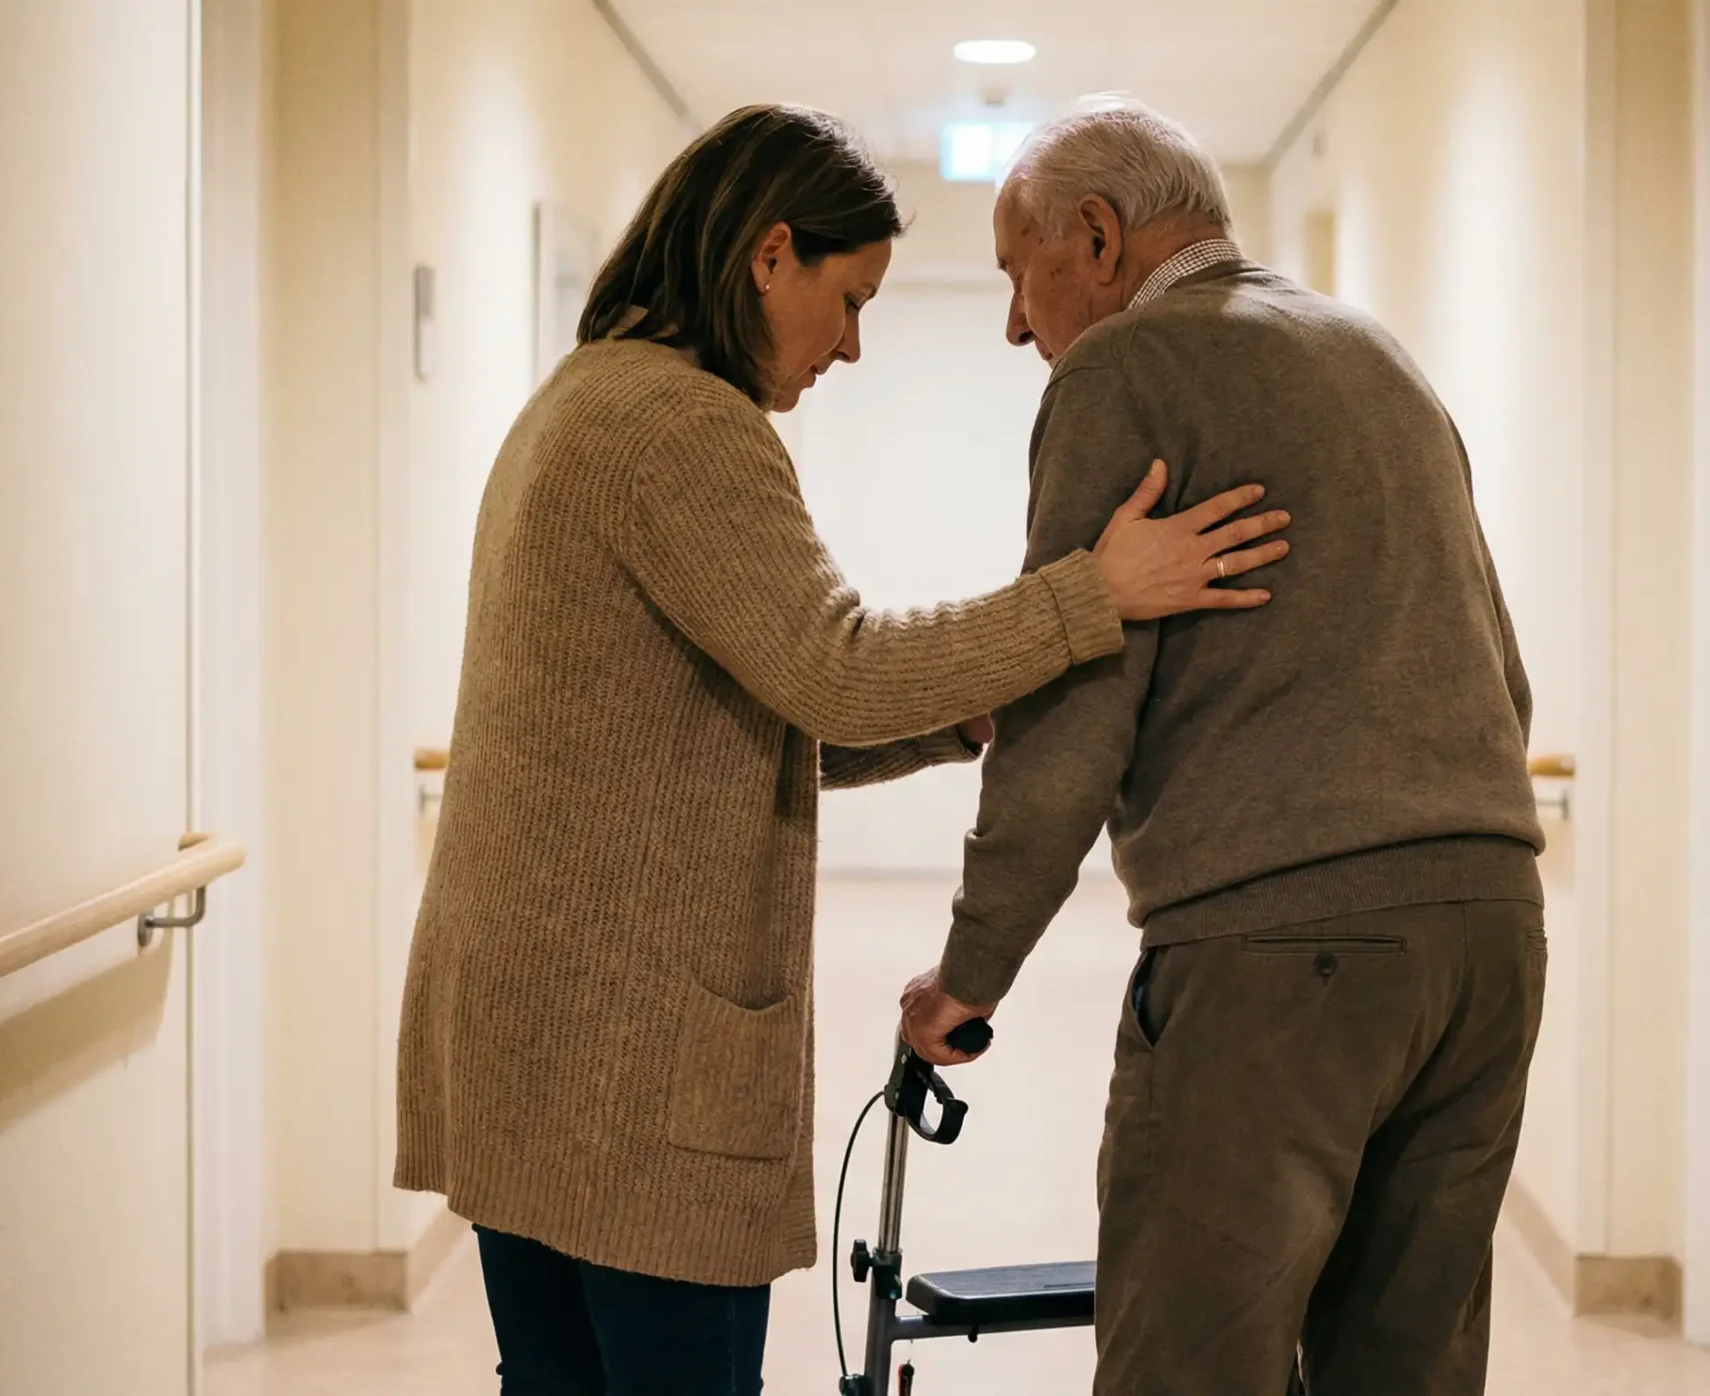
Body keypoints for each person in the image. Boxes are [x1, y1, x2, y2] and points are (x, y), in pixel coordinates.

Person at [392, 103, 1291, 1396]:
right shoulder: (684, 426)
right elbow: (835, 668)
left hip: (527, 1042)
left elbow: (720, 717)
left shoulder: (582, 398)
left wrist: (971, 705)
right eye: (850, 297)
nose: (855, 345)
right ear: (769, 257)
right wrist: (1093, 592)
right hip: (622, 1068)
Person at [898, 97, 1547, 1396]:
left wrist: (970, 974)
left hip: (1282, 961)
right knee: (1404, 1369)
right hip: (1490, 938)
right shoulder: (1375, 353)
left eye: (1018, 276)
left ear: (1096, 237)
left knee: (1187, 1366)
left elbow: (1078, 702)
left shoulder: (1127, 369)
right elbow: (1497, 658)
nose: (1017, 323)